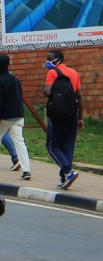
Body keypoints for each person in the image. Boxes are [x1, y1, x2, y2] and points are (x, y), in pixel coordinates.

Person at [43, 50, 84, 190]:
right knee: (67, 146)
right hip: (73, 113)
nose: (47, 61)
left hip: (58, 114)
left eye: (50, 59)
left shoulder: (52, 72)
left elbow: (48, 92)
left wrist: (47, 92)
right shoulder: (74, 73)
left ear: (58, 60)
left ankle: (68, 171)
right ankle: (65, 178)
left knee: (52, 145)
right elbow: (79, 96)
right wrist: (81, 117)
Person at [0, 55, 31, 181]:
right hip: (18, 116)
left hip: (5, 118)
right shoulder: (14, 79)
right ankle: (26, 170)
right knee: (20, 142)